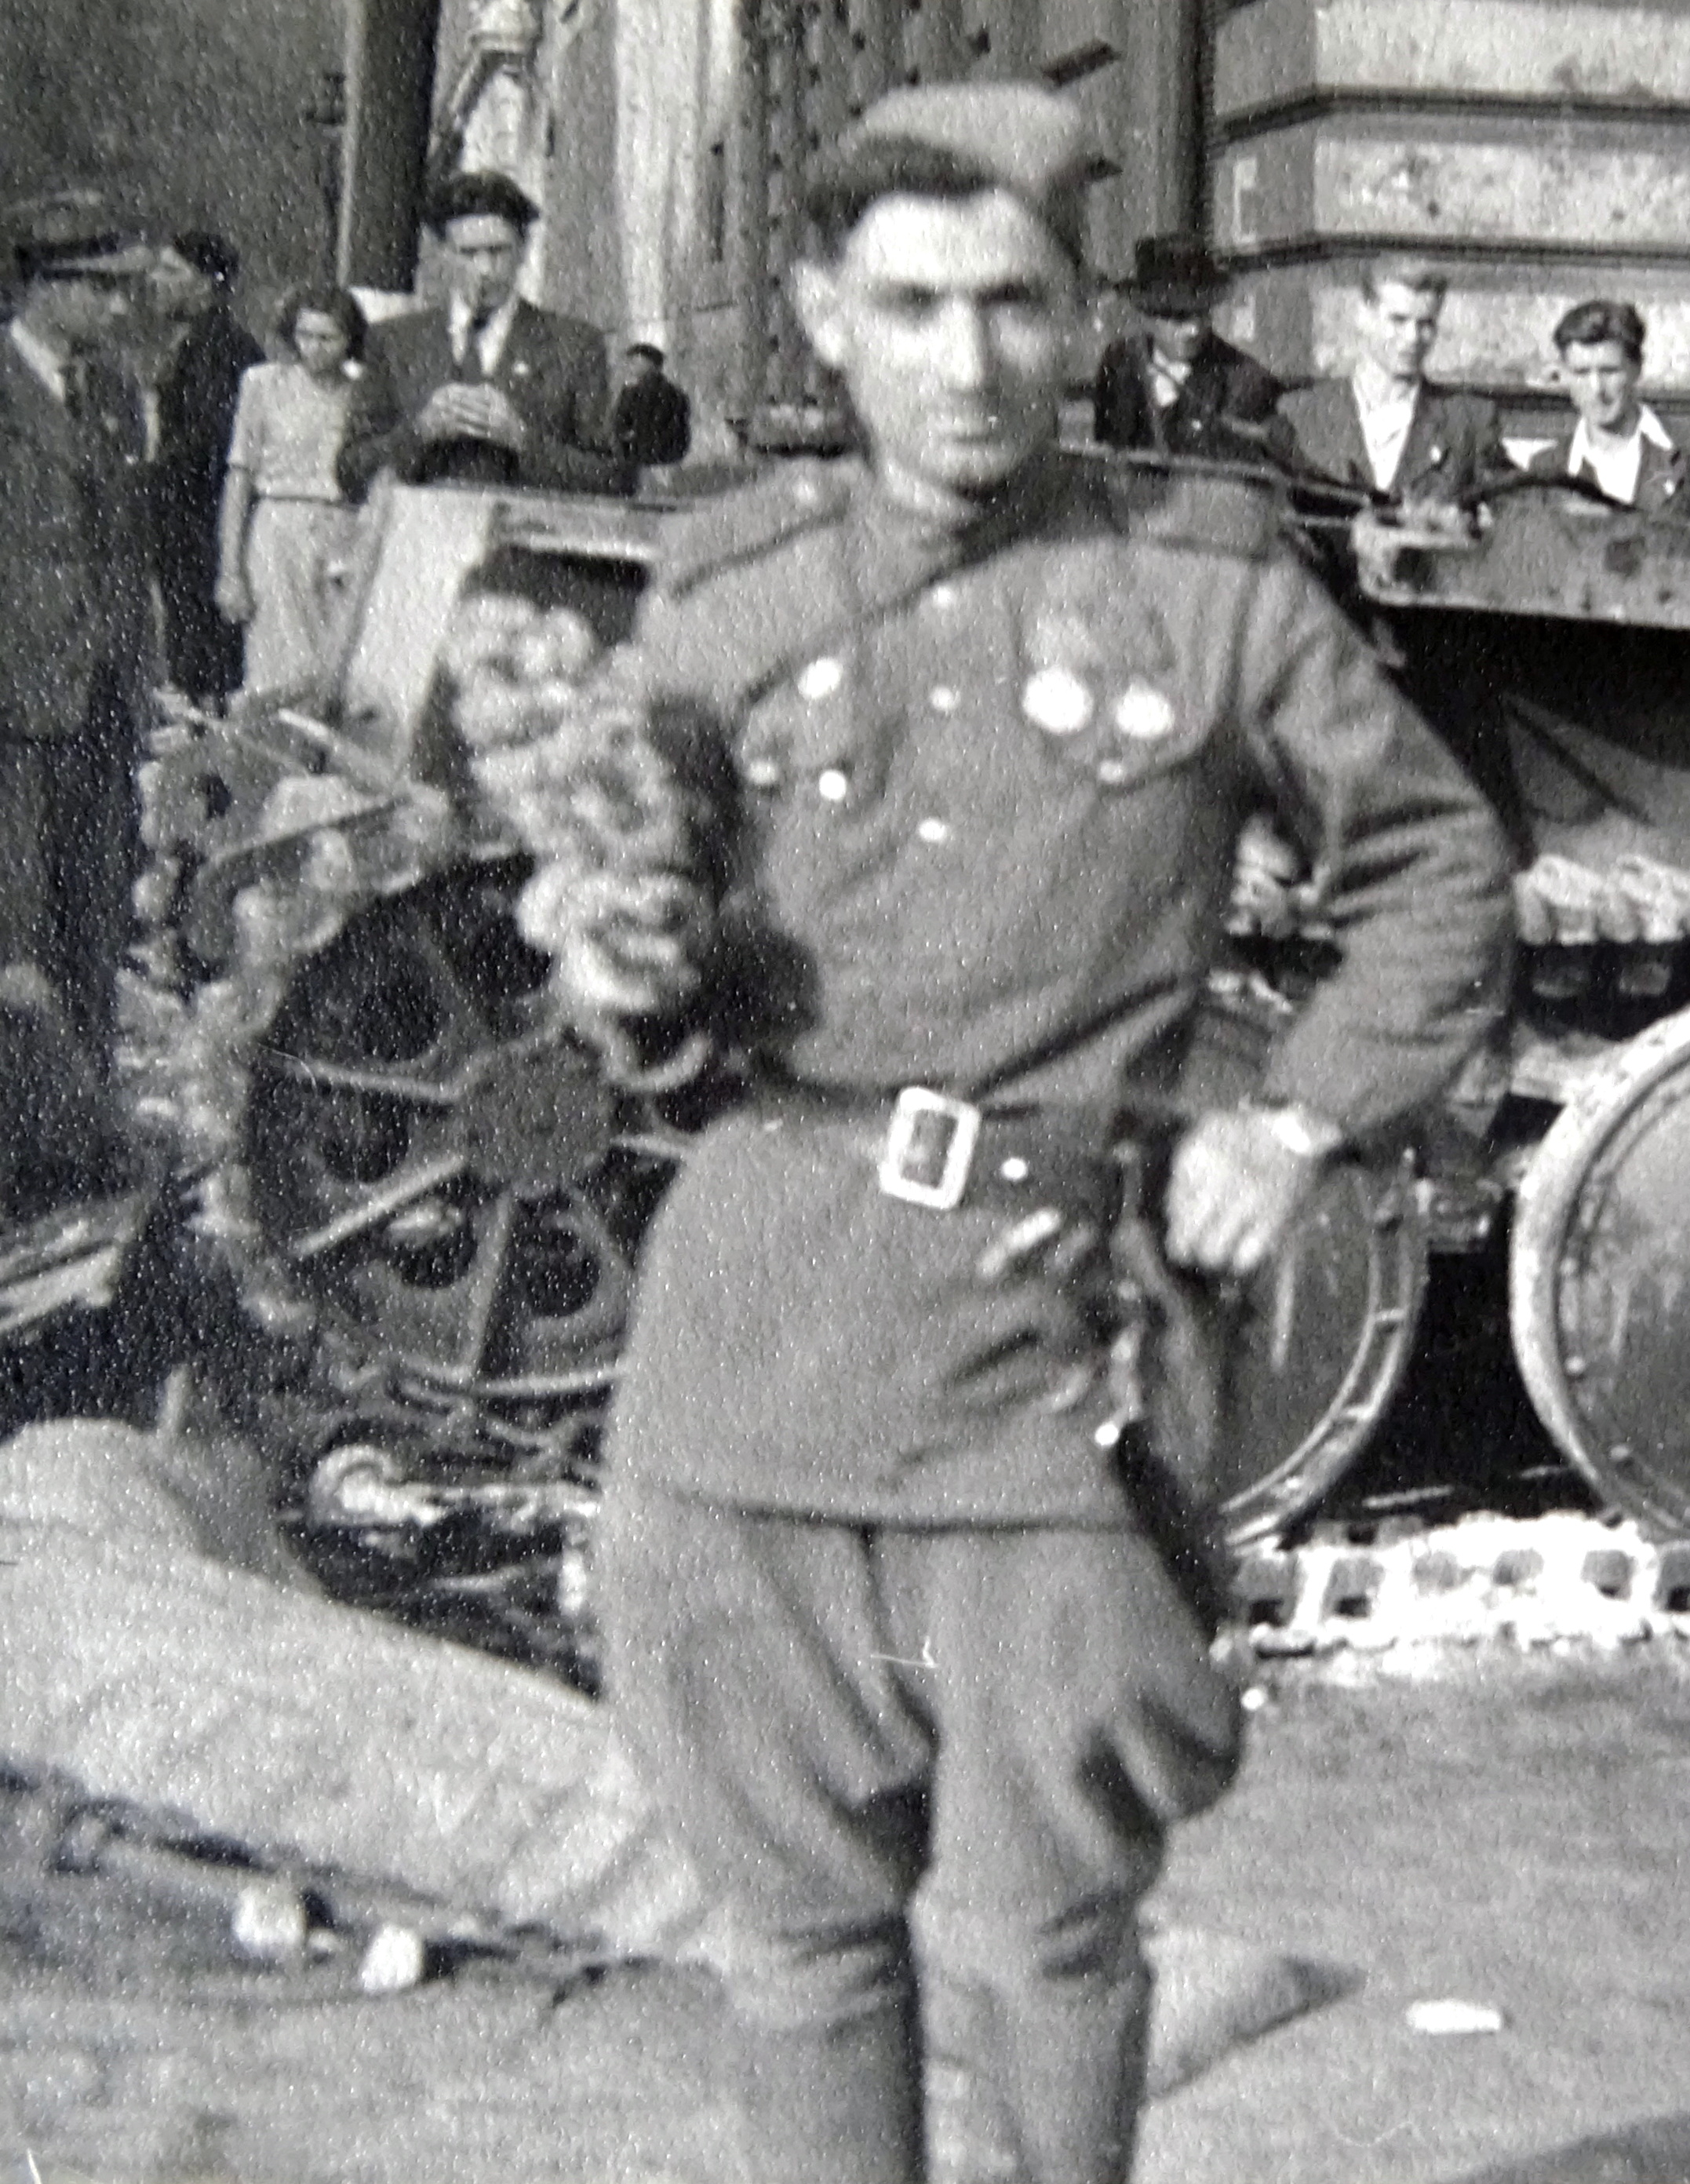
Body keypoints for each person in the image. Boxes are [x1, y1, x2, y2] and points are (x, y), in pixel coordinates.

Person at [584, 82, 1513, 2184]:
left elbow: (1436, 872)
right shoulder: (726, 597)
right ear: (825, 316)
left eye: (1013, 303)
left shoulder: (1203, 592)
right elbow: (641, 979)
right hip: (759, 1339)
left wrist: (1297, 1117)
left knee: (1042, 1924)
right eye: (912, 306)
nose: (968, 360)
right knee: (798, 1931)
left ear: (1079, 312)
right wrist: (617, 958)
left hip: (1052, 1345)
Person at [0, 191, 158, 1065]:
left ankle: (89, 1109)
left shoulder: (113, 391)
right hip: (17, 695)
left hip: (103, 691)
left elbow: (128, 547)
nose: (119, 305)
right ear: (47, 286)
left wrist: (143, 671)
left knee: (96, 915)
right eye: (102, 287)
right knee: (16, 926)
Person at [337, 170, 632, 498]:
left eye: (498, 251)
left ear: (524, 250)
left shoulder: (575, 345)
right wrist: (420, 431)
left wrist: (522, 440)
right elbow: (350, 473)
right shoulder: (393, 342)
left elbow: (614, 479)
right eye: (469, 253)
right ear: (443, 253)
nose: (485, 270)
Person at [217, 284, 366, 697]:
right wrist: (230, 571)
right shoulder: (263, 384)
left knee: (336, 667)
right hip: (278, 533)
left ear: (349, 339)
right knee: (276, 672)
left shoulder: (361, 393)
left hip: (342, 534)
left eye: (327, 338)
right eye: (304, 335)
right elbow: (239, 478)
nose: (313, 348)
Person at [1272, 254, 1510, 506]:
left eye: (1426, 324)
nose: (1412, 337)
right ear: (1363, 315)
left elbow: (1515, 508)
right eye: (1398, 320)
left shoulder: (1467, 423)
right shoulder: (1301, 416)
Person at [144, 230, 262, 704]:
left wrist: (143, 477)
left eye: (171, 271)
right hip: (187, 529)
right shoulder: (195, 342)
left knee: (207, 667)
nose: (154, 279)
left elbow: (209, 442)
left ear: (208, 284)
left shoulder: (222, 348)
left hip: (207, 531)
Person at [1533, 297, 1690, 531]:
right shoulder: (1548, 468)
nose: (1596, 389)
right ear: (1564, 374)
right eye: (1581, 373)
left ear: (1637, 368)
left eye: (1610, 371)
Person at [1085, 232, 1284, 465]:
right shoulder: (1119, 363)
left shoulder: (1246, 382)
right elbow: (1106, 456)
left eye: (1202, 313)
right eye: (1179, 317)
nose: (1193, 330)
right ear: (1149, 315)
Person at [610, 340, 694, 470]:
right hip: (648, 455)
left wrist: (631, 436)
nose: (631, 365)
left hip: (652, 456)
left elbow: (649, 425)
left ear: (651, 364)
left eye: (636, 361)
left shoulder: (663, 393)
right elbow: (621, 423)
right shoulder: (633, 390)